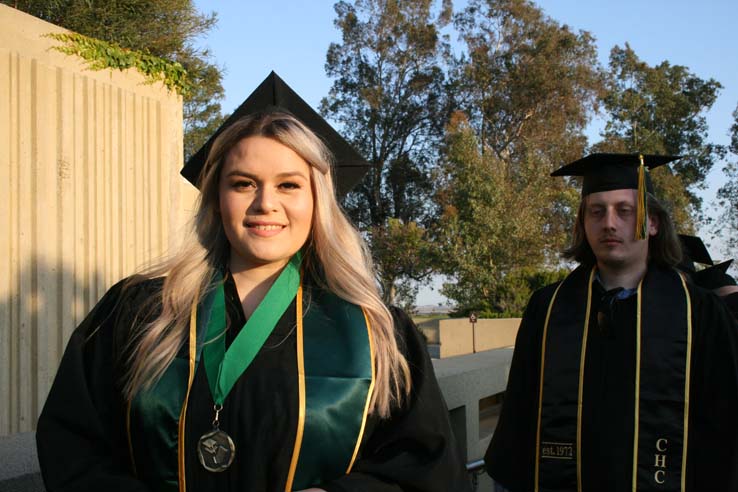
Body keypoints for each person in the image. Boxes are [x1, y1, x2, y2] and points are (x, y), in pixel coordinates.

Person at [36, 76, 470, 492]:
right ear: (216, 198)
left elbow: (423, 465)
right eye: (243, 184)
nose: (266, 204)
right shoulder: (139, 310)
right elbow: (73, 444)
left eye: (288, 185)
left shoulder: (372, 329)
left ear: (316, 200)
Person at [484, 153, 738, 491]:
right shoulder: (548, 309)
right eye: (596, 211)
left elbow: (725, 429)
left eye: (625, 210)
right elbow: (519, 415)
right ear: (583, 223)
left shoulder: (700, 314)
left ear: (653, 223)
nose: (609, 223)